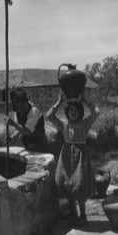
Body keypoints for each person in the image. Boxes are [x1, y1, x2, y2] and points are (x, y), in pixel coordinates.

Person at [46, 92, 100, 225]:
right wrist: (59, 101)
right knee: (67, 185)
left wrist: (86, 99)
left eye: (76, 110)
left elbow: (96, 112)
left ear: (80, 111)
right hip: (66, 158)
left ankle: (83, 214)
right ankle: (73, 213)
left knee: (79, 186)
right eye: (71, 110)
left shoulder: (85, 124)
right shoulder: (64, 125)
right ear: (67, 111)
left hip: (80, 159)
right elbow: (49, 116)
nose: (73, 112)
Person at [6, 88, 48, 152]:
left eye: (21, 105)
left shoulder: (34, 111)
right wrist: (12, 137)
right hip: (28, 145)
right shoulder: (17, 113)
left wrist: (14, 124)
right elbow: (20, 128)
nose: (20, 108)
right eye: (17, 106)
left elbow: (27, 131)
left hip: (41, 145)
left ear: (26, 102)